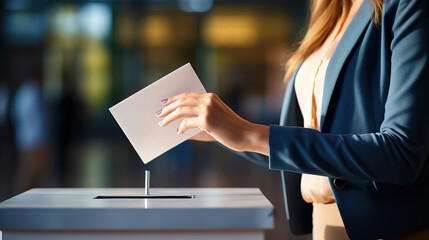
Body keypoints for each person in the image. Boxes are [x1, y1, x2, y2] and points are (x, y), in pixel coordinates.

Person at [156, 0, 429, 239]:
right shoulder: (328, 13)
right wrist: (225, 133)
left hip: (388, 229)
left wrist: (248, 133)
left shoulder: (406, 5)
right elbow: (304, 144)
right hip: (323, 224)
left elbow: (402, 153)